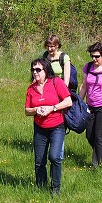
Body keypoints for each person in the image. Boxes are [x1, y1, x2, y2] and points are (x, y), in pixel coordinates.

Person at [25, 57, 72, 195]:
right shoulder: (31, 89)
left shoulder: (56, 82)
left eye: (38, 69)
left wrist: (52, 108)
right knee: (39, 160)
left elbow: (68, 101)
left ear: (46, 70)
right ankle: (40, 187)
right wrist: (36, 110)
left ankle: (55, 188)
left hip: (57, 126)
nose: (35, 72)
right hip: (39, 128)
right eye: (33, 70)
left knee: (54, 157)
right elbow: (27, 110)